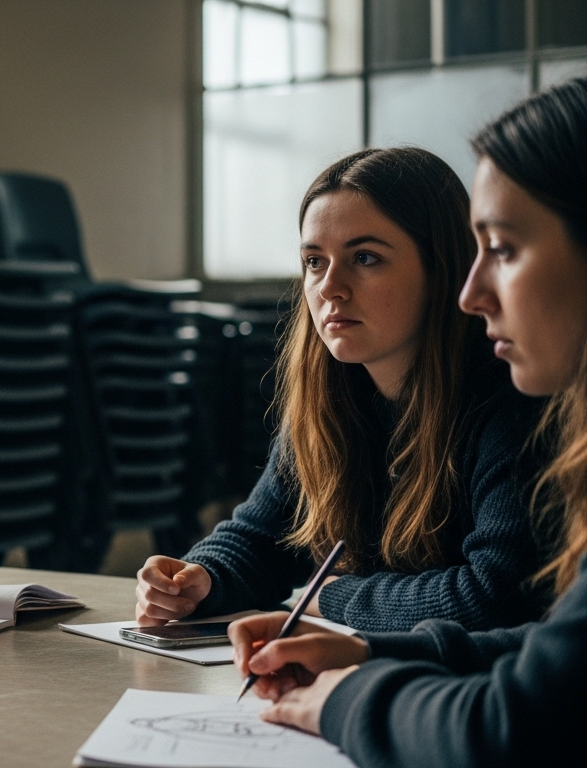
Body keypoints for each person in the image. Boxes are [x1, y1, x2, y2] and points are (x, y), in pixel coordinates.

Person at [227, 77, 587, 767]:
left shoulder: (510, 411)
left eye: (504, 249)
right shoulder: (332, 397)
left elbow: (516, 717)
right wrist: (370, 648)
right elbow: (551, 660)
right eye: (313, 262)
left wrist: (344, 672)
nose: (473, 292)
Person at [135, 147, 548, 632]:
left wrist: (335, 597)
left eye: (365, 258)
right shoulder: (332, 397)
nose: (330, 287)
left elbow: (497, 596)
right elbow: (263, 536)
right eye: (314, 260)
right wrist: (199, 577)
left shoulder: (511, 401)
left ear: (444, 269)